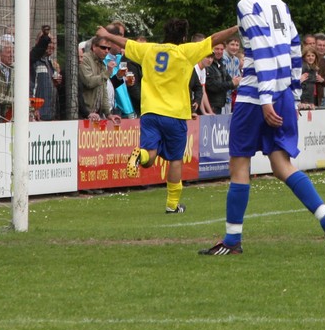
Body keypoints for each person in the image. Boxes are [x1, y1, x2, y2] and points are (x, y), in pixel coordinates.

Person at [200, 0, 325, 256]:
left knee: (239, 163)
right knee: (282, 165)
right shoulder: (280, 4)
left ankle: (232, 241)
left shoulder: (247, 5)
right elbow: (294, 49)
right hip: (281, 94)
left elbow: (263, 50)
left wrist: (265, 99)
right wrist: (292, 94)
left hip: (257, 95)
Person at [97, 19, 238, 215]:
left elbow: (126, 42)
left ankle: (139, 154)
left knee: (149, 156)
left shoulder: (148, 50)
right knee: (175, 159)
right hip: (175, 114)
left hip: (150, 113)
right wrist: (237, 27)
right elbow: (214, 39)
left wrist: (106, 34)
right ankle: (172, 205)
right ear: (183, 37)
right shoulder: (185, 51)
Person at [79, 36, 117, 122]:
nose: (106, 51)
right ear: (94, 47)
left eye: (109, 48)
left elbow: (103, 90)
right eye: (103, 47)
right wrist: (107, 73)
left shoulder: (102, 63)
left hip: (96, 114)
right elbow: (89, 82)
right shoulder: (85, 59)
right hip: (84, 113)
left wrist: (108, 114)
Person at [29, 27, 61, 121]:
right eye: (48, 42)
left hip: (50, 115)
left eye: (53, 43)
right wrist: (32, 109)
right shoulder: (31, 60)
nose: (51, 45)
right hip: (37, 115)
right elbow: (28, 87)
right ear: (38, 42)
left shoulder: (51, 63)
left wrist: (57, 83)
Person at [206, 42, 235, 113]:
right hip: (210, 106)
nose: (219, 52)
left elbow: (229, 79)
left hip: (220, 105)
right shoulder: (207, 65)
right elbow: (212, 86)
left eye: (221, 49)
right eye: (217, 49)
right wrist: (232, 83)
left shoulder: (221, 64)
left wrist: (235, 81)